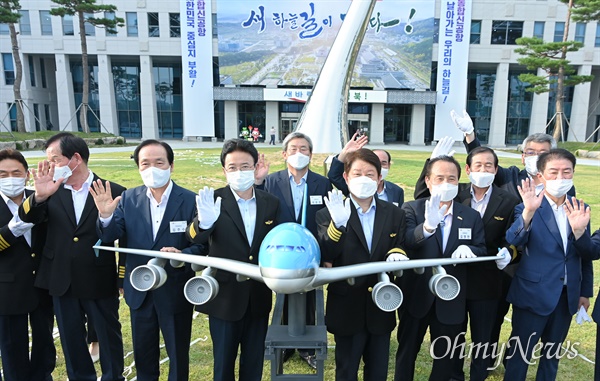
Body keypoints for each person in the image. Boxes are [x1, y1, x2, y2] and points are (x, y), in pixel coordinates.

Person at [92, 140, 203, 381]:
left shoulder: (189, 199)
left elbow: (201, 245)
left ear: (171, 165)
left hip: (175, 289)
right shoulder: (128, 199)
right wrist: (105, 216)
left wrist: (184, 255)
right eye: (145, 163)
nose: (152, 168)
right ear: (138, 168)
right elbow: (112, 237)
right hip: (140, 290)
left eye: (159, 162)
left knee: (177, 355)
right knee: (144, 355)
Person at [18, 132, 125, 381]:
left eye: (55, 160)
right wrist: (39, 196)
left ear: (75, 158)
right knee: (71, 337)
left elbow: (119, 236)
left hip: (98, 277)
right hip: (60, 278)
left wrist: (122, 277)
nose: (50, 166)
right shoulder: (49, 192)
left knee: (108, 334)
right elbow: (28, 222)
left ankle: (113, 376)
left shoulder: (113, 190)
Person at [413, 144, 521, 379]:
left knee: (484, 335)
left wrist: (507, 253)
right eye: (478, 165)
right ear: (468, 169)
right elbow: (422, 197)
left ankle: (479, 375)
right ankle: (454, 374)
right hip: (454, 280)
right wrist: (430, 162)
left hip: (487, 279)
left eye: (489, 165)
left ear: (495, 169)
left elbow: (511, 237)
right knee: (454, 335)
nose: (483, 169)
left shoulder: (508, 200)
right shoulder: (453, 189)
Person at [186, 138, 280, 381]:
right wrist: (204, 222)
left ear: (255, 166)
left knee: (253, 363)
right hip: (224, 298)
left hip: (258, 296)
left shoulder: (270, 202)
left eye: (245, 166)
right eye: (233, 168)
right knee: (224, 365)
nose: (239, 172)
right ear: (224, 171)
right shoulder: (212, 200)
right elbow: (193, 237)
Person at [316, 148, 407, 381]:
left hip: (381, 304)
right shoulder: (329, 213)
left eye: (370, 174)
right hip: (347, 306)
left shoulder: (394, 214)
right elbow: (326, 255)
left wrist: (397, 254)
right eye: (357, 174)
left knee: (377, 372)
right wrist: (337, 225)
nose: (363, 179)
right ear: (345, 177)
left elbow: (399, 245)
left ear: (379, 179)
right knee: (346, 371)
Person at [394, 155, 487, 381]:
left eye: (452, 179)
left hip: (451, 298)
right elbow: (405, 242)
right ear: (428, 181)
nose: (446, 184)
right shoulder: (412, 209)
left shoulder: (470, 216)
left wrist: (471, 251)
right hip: (416, 295)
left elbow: (482, 248)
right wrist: (426, 227)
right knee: (407, 352)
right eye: (440, 178)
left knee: (446, 357)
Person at [503, 149, 593, 380]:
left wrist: (584, 291)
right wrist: (528, 214)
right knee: (520, 354)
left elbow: (583, 255)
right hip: (533, 293)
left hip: (566, 295)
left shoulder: (579, 208)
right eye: (553, 172)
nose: (560, 178)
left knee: (552, 355)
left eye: (566, 172)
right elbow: (513, 240)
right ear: (541, 175)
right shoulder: (528, 206)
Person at [254, 131, 332, 369]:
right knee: (284, 296)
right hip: (282, 253)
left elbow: (328, 220)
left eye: (304, 149)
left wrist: (327, 255)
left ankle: (307, 348)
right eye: (294, 149)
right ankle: (286, 344)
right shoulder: (271, 181)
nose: (299, 154)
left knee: (309, 297)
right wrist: (257, 181)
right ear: (284, 153)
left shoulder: (322, 183)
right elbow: (258, 208)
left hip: (311, 252)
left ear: (311, 154)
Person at [0, 148, 55, 381]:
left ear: (26, 174)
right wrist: (19, 224)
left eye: (16, 172)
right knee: (13, 346)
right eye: (2, 174)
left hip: (43, 283)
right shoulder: (37, 200)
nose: (10, 178)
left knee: (44, 342)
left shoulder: (42, 196)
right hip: (8, 287)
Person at [445, 109, 575, 200]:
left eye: (543, 153)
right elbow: (483, 158)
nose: (536, 157)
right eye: (531, 152)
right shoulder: (510, 177)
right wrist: (470, 134)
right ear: (523, 157)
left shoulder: (561, 183)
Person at [328, 131, 404, 206]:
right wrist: (344, 154)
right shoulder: (356, 186)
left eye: (383, 163)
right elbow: (334, 175)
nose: (379, 167)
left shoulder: (397, 191)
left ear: (389, 165)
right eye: (375, 163)